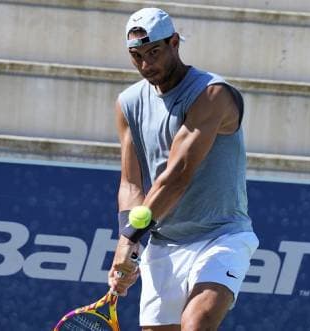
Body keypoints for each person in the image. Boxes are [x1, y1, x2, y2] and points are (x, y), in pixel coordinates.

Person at [108, 7, 259, 331]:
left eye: (154, 52)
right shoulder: (128, 103)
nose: (146, 64)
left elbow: (177, 177)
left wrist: (130, 237)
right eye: (137, 55)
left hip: (221, 235)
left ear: (174, 42)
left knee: (196, 324)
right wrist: (127, 240)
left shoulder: (212, 94)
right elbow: (131, 183)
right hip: (164, 243)